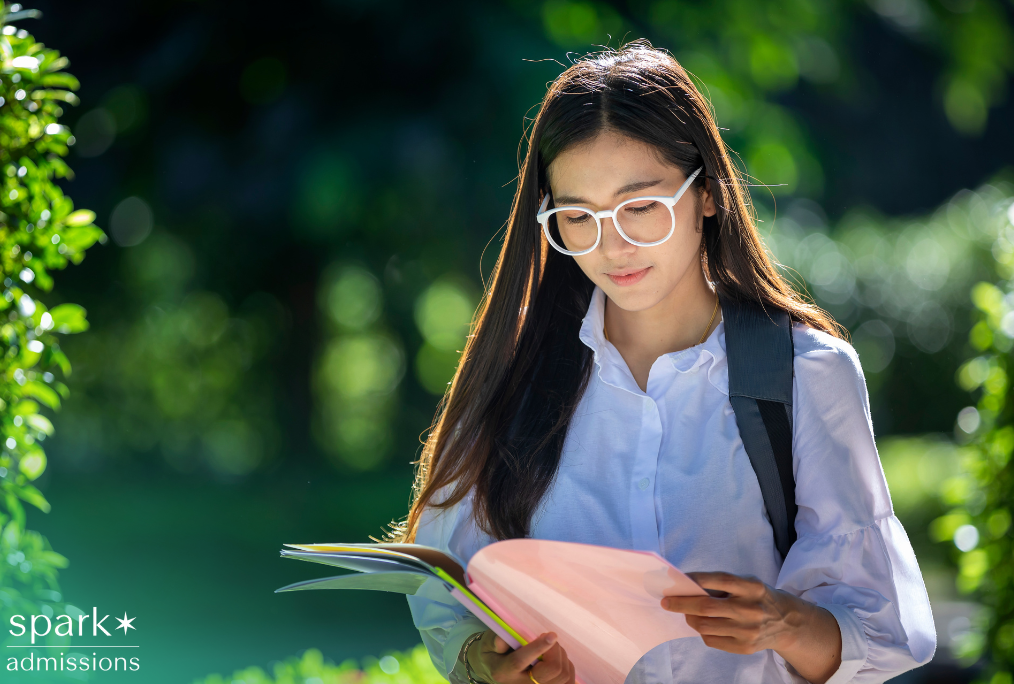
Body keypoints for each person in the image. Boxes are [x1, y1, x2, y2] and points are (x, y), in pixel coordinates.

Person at [389, 39, 936, 684]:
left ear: (707, 194)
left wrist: (784, 623)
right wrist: (485, 664)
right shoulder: (513, 376)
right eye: (578, 216)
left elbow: (889, 630)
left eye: (641, 206)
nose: (612, 244)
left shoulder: (806, 373)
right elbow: (444, 591)